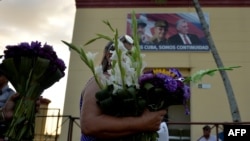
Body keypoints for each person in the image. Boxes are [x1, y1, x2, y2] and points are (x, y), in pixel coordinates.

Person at [80, 35, 167, 141]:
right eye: (124, 52)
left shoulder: (129, 84)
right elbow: (89, 125)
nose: (130, 58)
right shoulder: (99, 81)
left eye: (131, 54)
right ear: (109, 55)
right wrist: (143, 122)